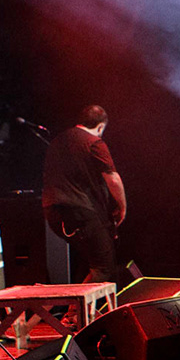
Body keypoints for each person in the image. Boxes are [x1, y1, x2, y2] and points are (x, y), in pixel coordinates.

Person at [41, 104, 126, 284]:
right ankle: (75, 304)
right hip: (80, 211)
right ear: (100, 127)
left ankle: (78, 299)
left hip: (52, 212)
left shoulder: (57, 141)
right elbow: (113, 179)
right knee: (105, 267)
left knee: (90, 262)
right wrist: (122, 207)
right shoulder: (93, 142)